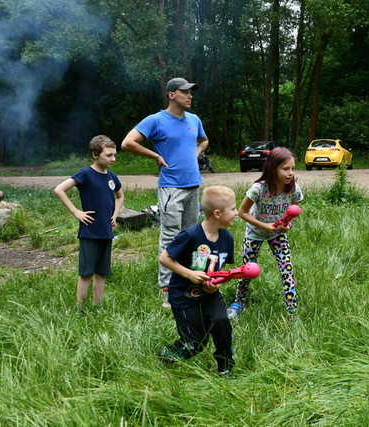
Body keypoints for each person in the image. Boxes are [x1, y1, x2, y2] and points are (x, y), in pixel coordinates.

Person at [121, 77, 209, 308]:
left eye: (191, 92)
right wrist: (155, 156)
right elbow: (127, 143)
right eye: (185, 92)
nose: (190, 96)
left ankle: (190, 282)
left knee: (191, 236)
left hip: (193, 186)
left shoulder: (194, 119)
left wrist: (196, 153)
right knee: (170, 237)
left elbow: (204, 140)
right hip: (171, 188)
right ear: (172, 94)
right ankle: (167, 289)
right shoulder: (156, 121)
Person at [158, 185, 237, 375]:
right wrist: (190, 274)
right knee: (194, 343)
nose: (237, 213)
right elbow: (164, 258)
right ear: (217, 213)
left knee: (221, 324)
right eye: (233, 209)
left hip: (210, 295)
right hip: (184, 296)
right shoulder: (191, 235)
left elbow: (222, 268)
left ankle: (225, 367)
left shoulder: (227, 238)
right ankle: (166, 356)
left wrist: (215, 284)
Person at [226, 147, 303, 319]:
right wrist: (265, 226)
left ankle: (292, 311)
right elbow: (242, 212)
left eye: (292, 168)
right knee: (247, 269)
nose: (290, 173)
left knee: (287, 270)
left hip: (277, 234)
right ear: (272, 168)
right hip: (255, 233)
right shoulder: (258, 189)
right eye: (285, 169)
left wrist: (288, 224)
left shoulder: (293, 188)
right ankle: (239, 301)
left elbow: (295, 208)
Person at [53, 135, 124, 308]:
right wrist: (76, 211)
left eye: (114, 155)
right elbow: (59, 190)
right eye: (108, 155)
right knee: (86, 273)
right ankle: (80, 308)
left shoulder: (112, 177)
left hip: (106, 232)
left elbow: (120, 196)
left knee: (101, 272)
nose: (113, 159)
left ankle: (98, 306)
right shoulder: (85, 174)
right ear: (95, 155)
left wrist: (114, 215)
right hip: (90, 232)